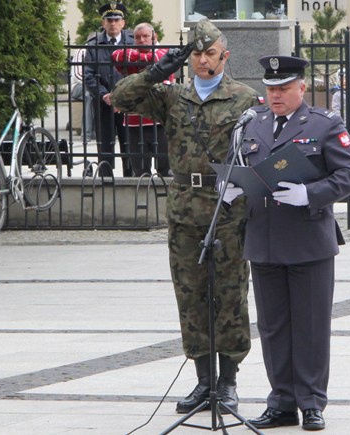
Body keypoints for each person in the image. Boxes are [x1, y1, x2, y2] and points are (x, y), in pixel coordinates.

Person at [110, 19, 263, 414]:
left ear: (224, 57)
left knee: (229, 295)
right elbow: (121, 97)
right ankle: (203, 382)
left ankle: (228, 383)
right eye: (195, 54)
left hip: (227, 208)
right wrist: (159, 68)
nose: (201, 60)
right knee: (190, 296)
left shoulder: (244, 98)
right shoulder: (172, 97)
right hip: (184, 208)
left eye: (209, 53)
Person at [223, 56, 350, 430]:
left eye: (283, 88)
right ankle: (282, 401)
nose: (275, 95)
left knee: (310, 325)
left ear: (302, 87)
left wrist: (310, 193)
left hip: (307, 239)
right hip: (264, 240)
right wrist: (231, 187)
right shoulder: (253, 124)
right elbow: (237, 164)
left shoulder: (324, 125)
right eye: (270, 89)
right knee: (273, 327)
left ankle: (311, 402)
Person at [111, 23, 171, 177]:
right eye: (137, 37)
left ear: (154, 37)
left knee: (166, 170)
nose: (141, 40)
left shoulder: (165, 53)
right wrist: (145, 60)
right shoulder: (128, 55)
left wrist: (137, 61)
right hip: (134, 122)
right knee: (140, 171)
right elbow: (116, 56)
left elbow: (160, 58)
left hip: (160, 121)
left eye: (145, 36)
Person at [84, 3, 134, 177]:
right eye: (109, 20)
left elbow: (139, 72)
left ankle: (130, 177)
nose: (113, 23)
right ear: (102, 23)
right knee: (105, 144)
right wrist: (105, 94)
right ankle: (106, 179)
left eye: (116, 20)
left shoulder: (132, 42)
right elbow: (88, 75)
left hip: (128, 103)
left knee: (129, 143)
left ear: (123, 23)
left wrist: (124, 95)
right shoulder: (94, 45)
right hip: (103, 102)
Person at [70, 45, 95, 142]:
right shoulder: (81, 51)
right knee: (89, 94)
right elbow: (77, 75)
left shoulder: (103, 49)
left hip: (95, 84)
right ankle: (86, 134)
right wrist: (94, 84)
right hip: (78, 86)